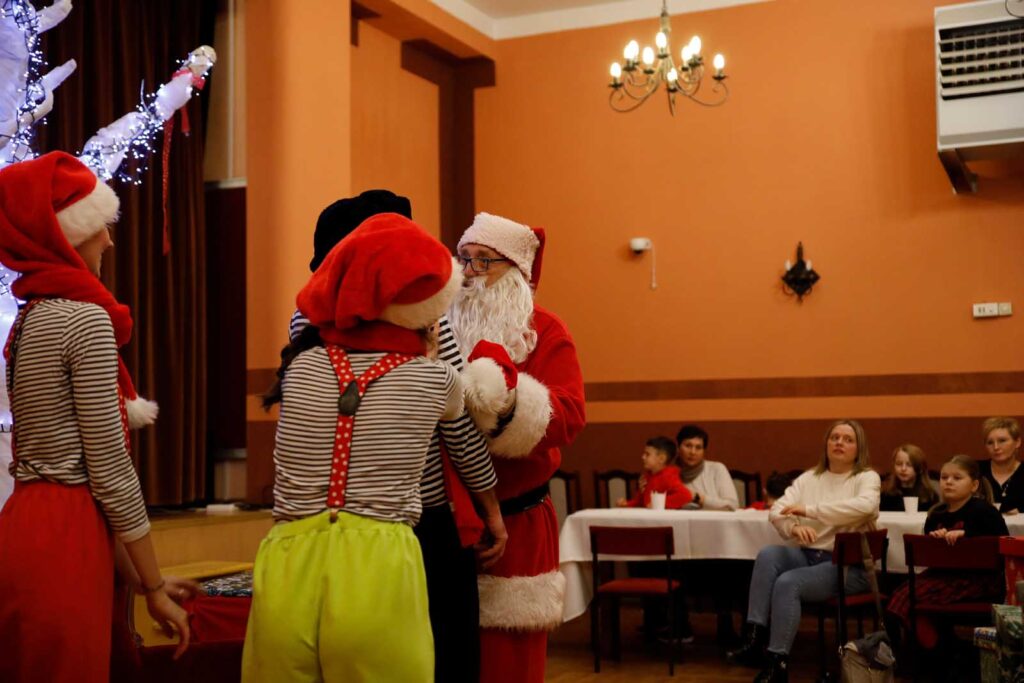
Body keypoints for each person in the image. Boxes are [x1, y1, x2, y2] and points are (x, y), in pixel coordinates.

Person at [292, 190, 506, 683]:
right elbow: (457, 423)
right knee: (438, 652)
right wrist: (490, 508)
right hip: (416, 517)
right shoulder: (423, 316)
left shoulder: (307, 320)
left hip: (320, 520)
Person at [242, 214, 465, 682]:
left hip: (287, 561)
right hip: (376, 564)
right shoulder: (434, 378)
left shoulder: (300, 368)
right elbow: (458, 415)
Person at [0, 152, 193, 683]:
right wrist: (153, 587)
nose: (109, 241)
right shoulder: (84, 318)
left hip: (24, 527)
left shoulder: (31, 318)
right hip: (67, 534)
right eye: (100, 227)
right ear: (67, 234)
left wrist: (136, 576)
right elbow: (106, 468)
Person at [450, 213, 586, 683]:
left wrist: (508, 404)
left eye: (482, 262)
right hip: (447, 516)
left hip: (519, 519)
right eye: (464, 258)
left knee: (508, 658)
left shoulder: (545, 330)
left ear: (516, 273)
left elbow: (569, 414)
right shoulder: (439, 327)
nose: (468, 272)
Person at [727, 419, 881, 683]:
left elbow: (864, 507)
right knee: (768, 554)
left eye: (848, 439)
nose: (839, 443)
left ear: (859, 448)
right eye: (834, 438)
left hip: (846, 566)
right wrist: (793, 527)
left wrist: (810, 511)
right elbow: (777, 509)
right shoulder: (810, 478)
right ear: (826, 444)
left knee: (788, 582)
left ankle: (778, 664)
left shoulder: (866, 477)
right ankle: (754, 639)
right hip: (809, 556)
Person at [886, 455, 1007, 651]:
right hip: (943, 575)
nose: (949, 482)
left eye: (957, 478)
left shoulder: (985, 511)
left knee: (908, 599)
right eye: (944, 477)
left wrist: (968, 535)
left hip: (981, 580)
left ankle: (941, 650)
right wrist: (936, 538)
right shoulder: (936, 514)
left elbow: (1000, 543)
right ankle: (940, 648)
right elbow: (930, 555)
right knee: (900, 596)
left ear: (974, 485)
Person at [617, 436, 693, 508]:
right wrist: (627, 504)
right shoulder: (647, 476)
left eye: (647, 454)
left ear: (661, 459)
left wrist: (658, 503)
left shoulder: (668, 477)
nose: (643, 457)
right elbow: (642, 501)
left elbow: (686, 496)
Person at [676, 424, 740, 510]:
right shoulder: (669, 472)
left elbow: (732, 505)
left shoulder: (716, 469)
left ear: (704, 451)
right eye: (688, 446)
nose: (693, 452)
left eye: (698, 448)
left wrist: (697, 498)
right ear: (678, 448)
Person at [978, 416, 1024, 515]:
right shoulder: (975, 470)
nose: (996, 447)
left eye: (1002, 441)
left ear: (1017, 442)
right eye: (990, 443)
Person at [880, 444, 938, 512]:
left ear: (920, 468)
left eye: (909, 465)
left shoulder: (929, 495)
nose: (903, 469)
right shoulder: (886, 494)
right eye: (899, 464)